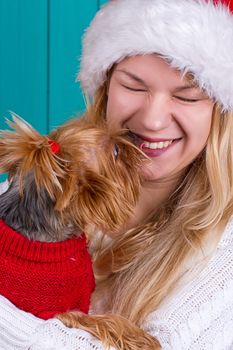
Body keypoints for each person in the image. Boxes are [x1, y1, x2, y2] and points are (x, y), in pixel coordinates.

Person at [0, 0, 233, 348]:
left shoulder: (223, 254)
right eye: (134, 86)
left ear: (220, 111)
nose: (153, 121)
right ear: (106, 85)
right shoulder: (29, 189)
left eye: (187, 97)